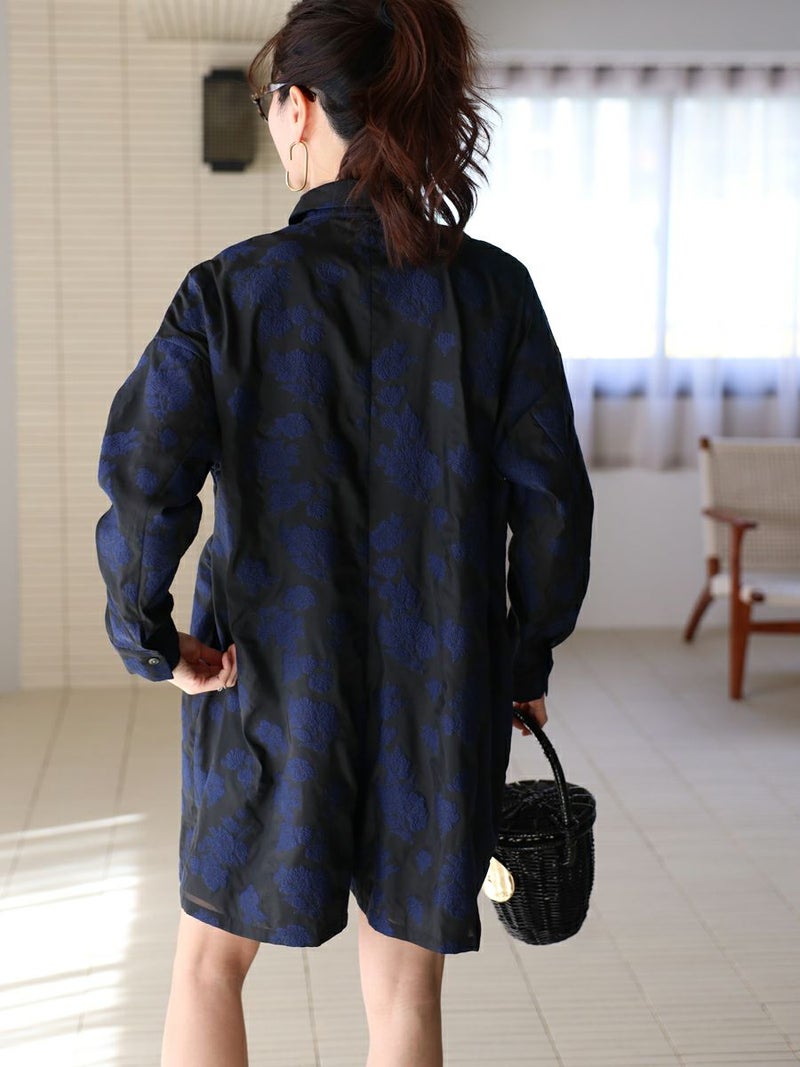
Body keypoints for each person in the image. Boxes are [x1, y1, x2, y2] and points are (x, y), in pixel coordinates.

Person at [95, 0, 593, 1063]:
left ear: (303, 105)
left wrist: (151, 637)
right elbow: (553, 498)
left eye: (273, 105)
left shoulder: (231, 291)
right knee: (404, 993)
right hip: (441, 684)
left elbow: (144, 476)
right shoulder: (495, 294)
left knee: (209, 964)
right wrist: (523, 656)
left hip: (271, 680)